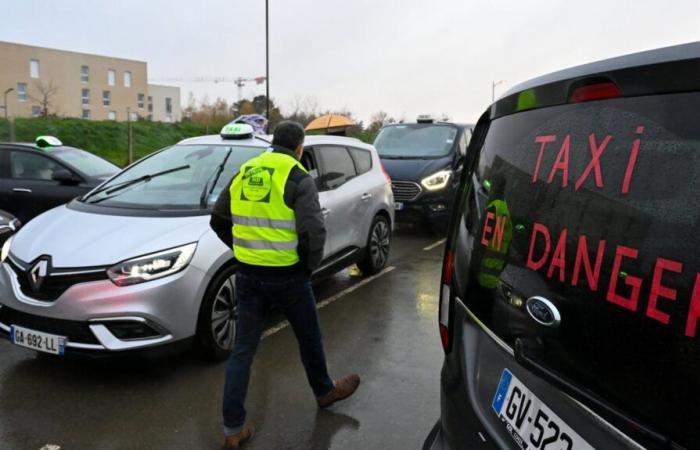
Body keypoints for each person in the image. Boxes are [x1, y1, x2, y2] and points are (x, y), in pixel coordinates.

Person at [210, 120, 361, 449]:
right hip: (288, 277)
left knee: (243, 351)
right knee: (309, 337)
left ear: (272, 142)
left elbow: (218, 218)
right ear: (299, 148)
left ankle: (233, 429)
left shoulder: (246, 171)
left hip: (247, 276)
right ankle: (324, 392)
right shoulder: (297, 175)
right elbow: (313, 232)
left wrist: (242, 250)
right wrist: (307, 268)